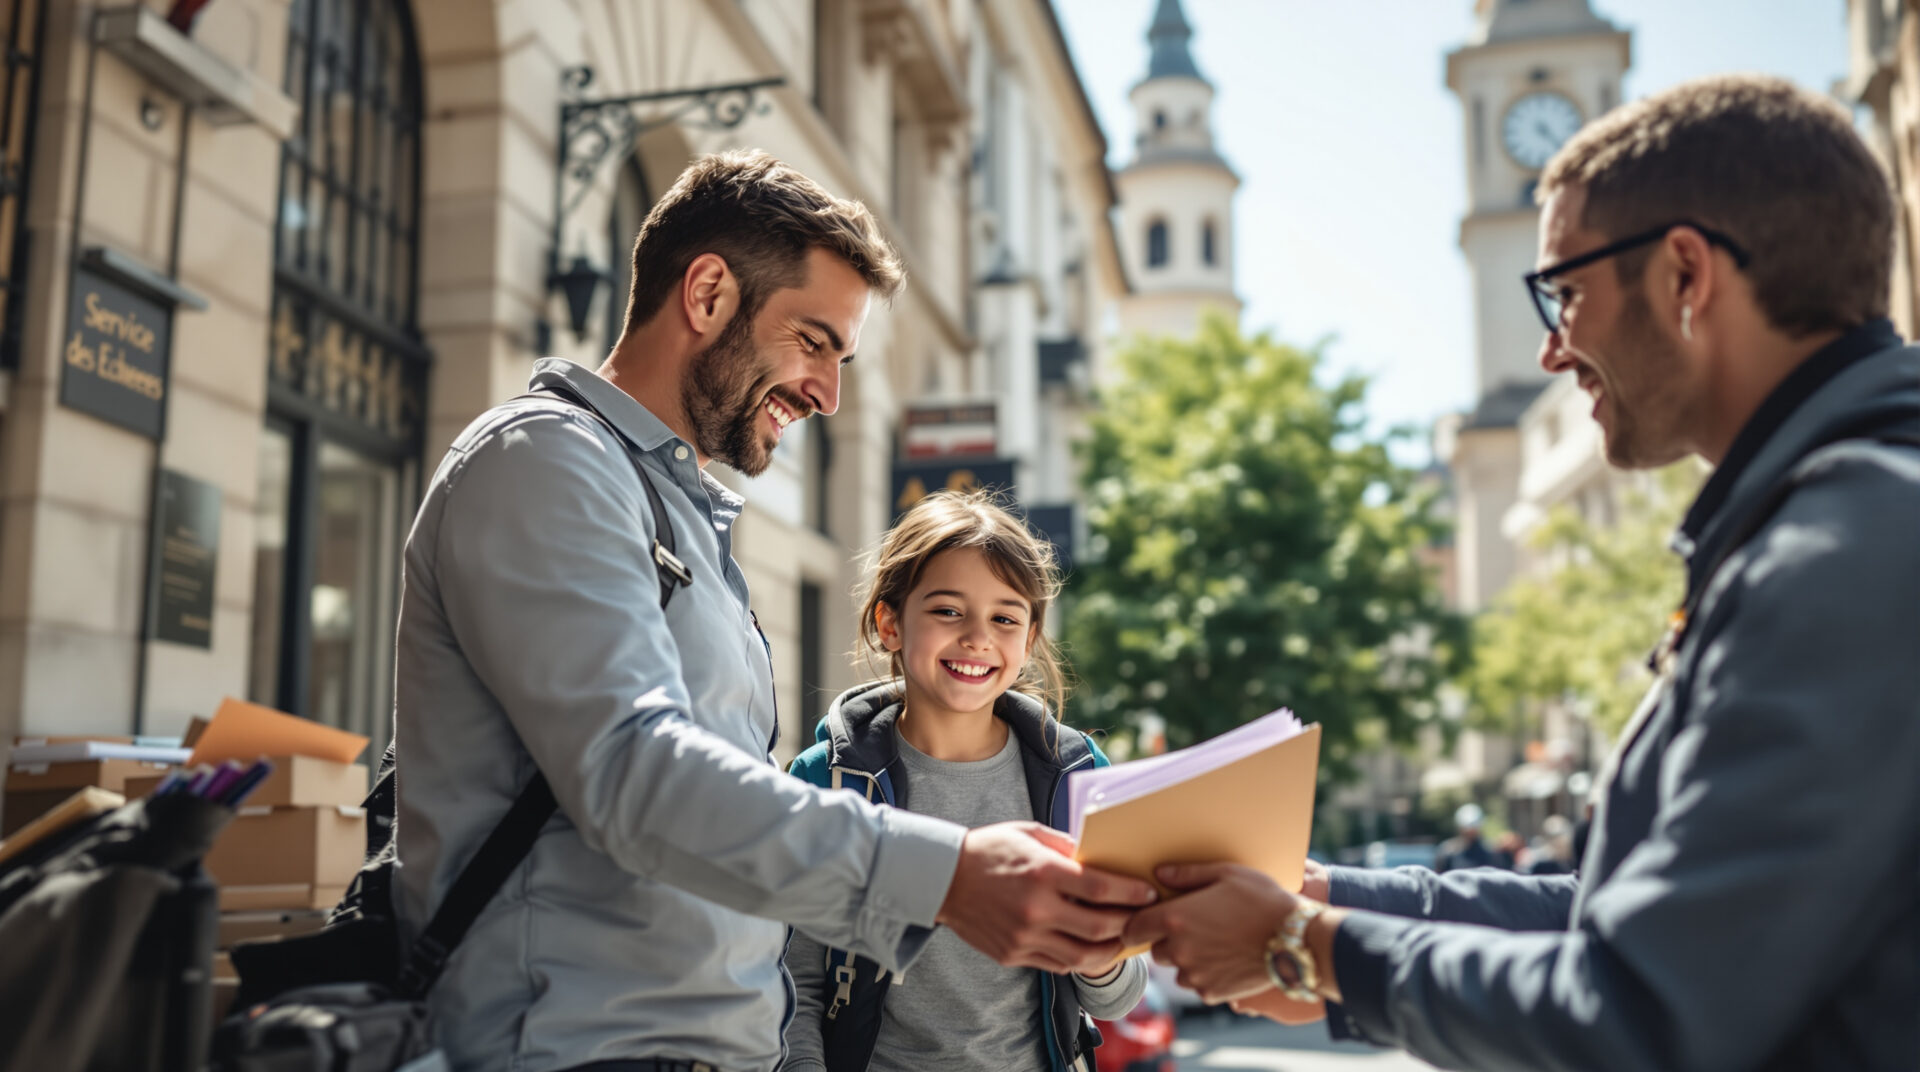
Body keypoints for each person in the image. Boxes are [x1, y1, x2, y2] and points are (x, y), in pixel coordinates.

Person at [1122, 75, 1920, 1071]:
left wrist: (1306, 947)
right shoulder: (1839, 515)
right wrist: (1336, 909)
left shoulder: (1846, 548)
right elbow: (1620, 908)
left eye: (1568, 291)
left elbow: (1641, 1012)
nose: (1554, 349)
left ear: (1685, 276)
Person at [389, 151, 1156, 1072]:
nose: (828, 394)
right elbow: (632, 772)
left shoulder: (679, 511)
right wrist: (947, 876)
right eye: (814, 341)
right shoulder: (546, 460)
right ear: (708, 294)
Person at [782, 491, 1148, 1072]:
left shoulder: (1079, 777)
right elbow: (795, 984)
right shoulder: (824, 778)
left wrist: (1097, 945)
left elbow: (1120, 996)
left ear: (1028, 641)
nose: (978, 637)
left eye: (1005, 618)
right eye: (948, 611)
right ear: (890, 622)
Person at [1430, 803, 1503, 873]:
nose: (1470, 833)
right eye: (1467, 829)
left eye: (1473, 829)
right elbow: (1440, 877)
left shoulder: (1490, 852)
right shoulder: (1447, 851)